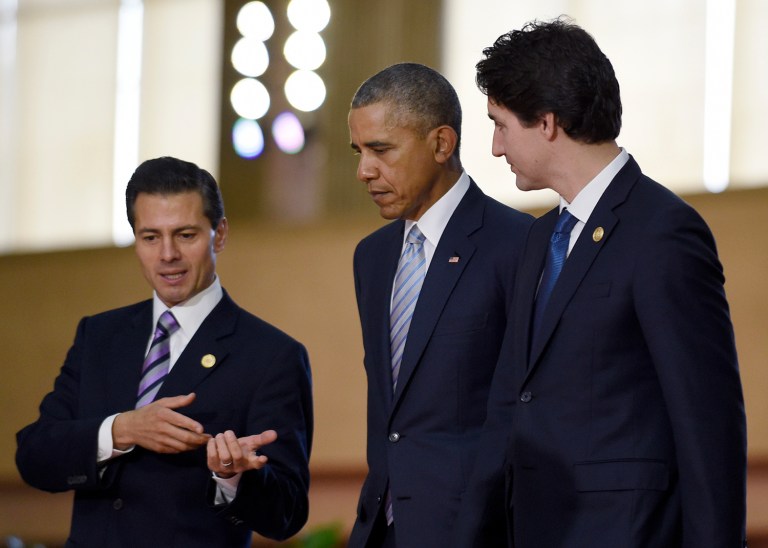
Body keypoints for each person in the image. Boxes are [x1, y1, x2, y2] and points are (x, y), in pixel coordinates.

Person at [457, 17, 747, 547]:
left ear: (546, 123)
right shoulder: (539, 237)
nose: (496, 147)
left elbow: (708, 420)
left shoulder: (663, 231)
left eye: (500, 125)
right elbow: (510, 405)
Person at [16, 156, 313, 547]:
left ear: (219, 235)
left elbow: (288, 512)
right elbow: (35, 455)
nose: (167, 254)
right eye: (150, 237)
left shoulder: (271, 355)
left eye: (185, 235)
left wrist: (232, 477)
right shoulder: (99, 336)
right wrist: (121, 429)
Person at [346, 62, 533, 548]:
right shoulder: (371, 257)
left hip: (477, 531)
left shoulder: (521, 245)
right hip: (380, 529)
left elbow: (524, 412)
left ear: (442, 144)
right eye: (359, 152)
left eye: (381, 150)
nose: (364, 171)